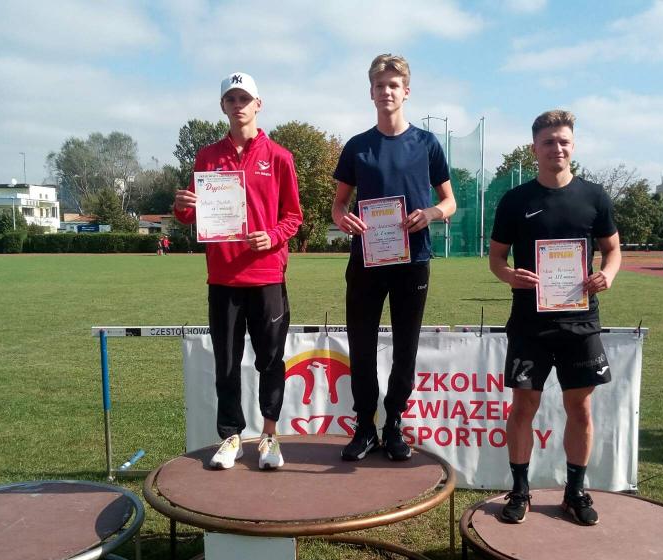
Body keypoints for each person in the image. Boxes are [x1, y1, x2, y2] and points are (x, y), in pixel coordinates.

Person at [489, 109, 621, 525]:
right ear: (535, 148)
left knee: (580, 409)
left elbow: (613, 249)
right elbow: (496, 258)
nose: (556, 148)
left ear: (573, 146)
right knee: (523, 406)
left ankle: (574, 492)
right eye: (548, 142)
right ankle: (520, 491)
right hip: (530, 323)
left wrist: (608, 274)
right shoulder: (516, 200)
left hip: (580, 322)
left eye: (563, 141)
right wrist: (510, 275)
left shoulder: (595, 196)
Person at [173, 72, 303, 470]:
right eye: (231, 99)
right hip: (224, 277)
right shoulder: (207, 157)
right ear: (223, 106)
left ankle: (269, 436)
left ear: (258, 104)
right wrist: (182, 206)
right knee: (227, 364)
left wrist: (273, 236)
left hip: (266, 276)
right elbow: (191, 216)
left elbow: (294, 216)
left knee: (270, 360)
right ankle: (231, 437)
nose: (238, 105)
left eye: (244, 98)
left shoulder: (279, 156)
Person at [332, 54, 456, 461]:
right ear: (371, 92)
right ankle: (365, 426)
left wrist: (431, 214)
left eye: (393, 85)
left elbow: (449, 201)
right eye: (379, 85)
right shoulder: (357, 146)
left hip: (413, 260)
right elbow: (338, 205)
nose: (386, 91)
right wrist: (343, 219)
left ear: (406, 91)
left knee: (406, 346)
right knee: (362, 345)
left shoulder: (426, 144)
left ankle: (394, 424)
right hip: (367, 261)